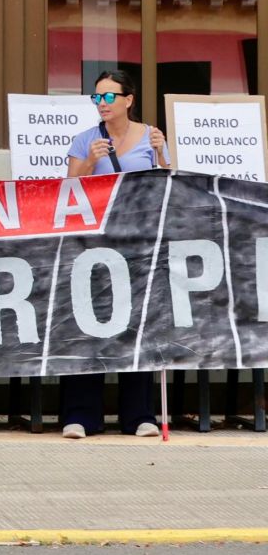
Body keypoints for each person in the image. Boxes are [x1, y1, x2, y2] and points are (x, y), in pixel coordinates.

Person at [59, 68, 168, 441]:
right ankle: (80, 415)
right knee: (85, 327)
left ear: (128, 100)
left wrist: (161, 153)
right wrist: (89, 161)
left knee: (135, 328)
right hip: (92, 245)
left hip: (137, 244)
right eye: (97, 97)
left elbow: (170, 187)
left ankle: (139, 415)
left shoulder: (151, 136)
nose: (101, 104)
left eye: (108, 97)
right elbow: (69, 192)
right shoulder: (85, 140)